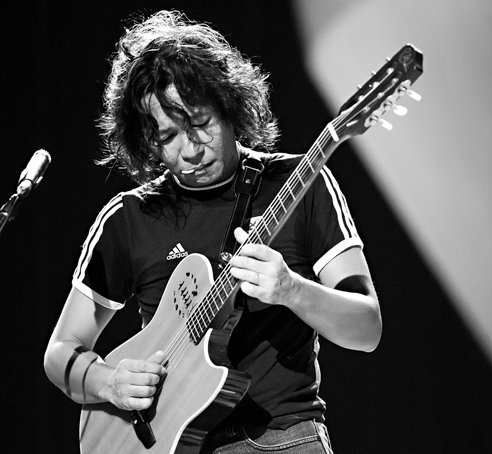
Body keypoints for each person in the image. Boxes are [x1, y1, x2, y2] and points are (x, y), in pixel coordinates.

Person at [44, 9, 382, 454]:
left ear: (229, 107)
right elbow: (61, 351)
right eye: (168, 136)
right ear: (146, 140)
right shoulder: (129, 217)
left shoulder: (300, 185)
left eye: (200, 124)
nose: (190, 150)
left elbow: (367, 328)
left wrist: (292, 290)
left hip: (283, 438)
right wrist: (109, 382)